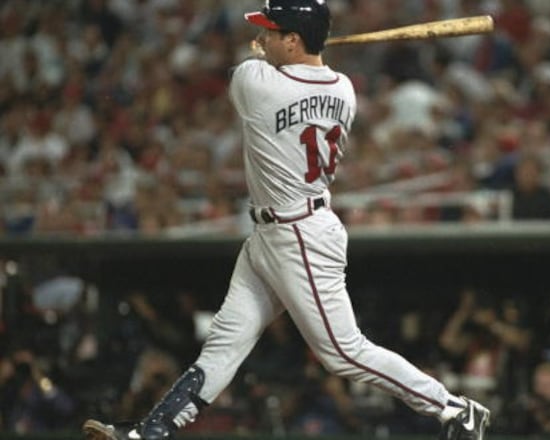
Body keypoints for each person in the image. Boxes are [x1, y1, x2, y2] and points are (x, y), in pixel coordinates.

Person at [81, 1, 490, 439]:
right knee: (224, 343)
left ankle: (454, 407)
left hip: (300, 235)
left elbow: (254, 64)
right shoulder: (345, 88)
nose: (263, 38)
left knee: (343, 353)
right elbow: (291, 68)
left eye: (272, 32)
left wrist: (274, 52)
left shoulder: (255, 83)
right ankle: (151, 431)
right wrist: (292, 49)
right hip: (276, 231)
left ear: (293, 40)